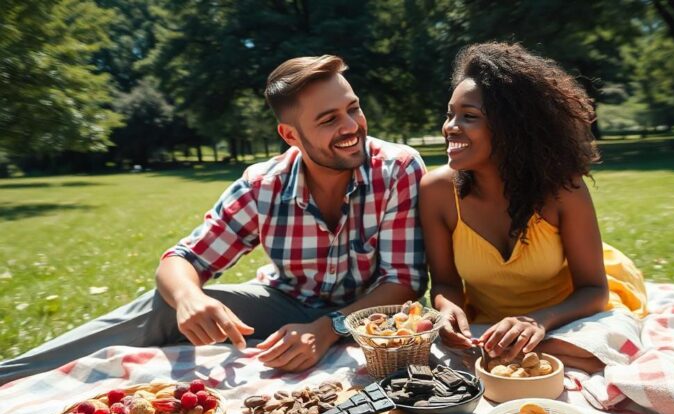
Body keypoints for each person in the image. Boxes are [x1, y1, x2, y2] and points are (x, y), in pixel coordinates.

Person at [0, 55, 427, 385]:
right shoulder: (263, 184)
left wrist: (329, 328)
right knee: (165, 303)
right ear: (290, 136)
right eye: (329, 119)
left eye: (353, 108)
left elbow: (403, 280)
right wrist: (189, 298)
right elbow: (180, 259)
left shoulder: (397, 168)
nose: (352, 126)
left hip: (374, 318)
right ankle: (11, 376)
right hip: (284, 305)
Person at [419, 42, 646, 373]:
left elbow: (595, 291)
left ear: (513, 128)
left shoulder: (562, 190)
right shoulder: (436, 191)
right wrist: (445, 307)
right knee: (456, 349)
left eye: (469, 117)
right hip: (489, 327)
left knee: (609, 343)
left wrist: (539, 321)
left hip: (565, 318)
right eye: (450, 114)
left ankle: (518, 351)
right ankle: (511, 352)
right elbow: (444, 283)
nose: (450, 127)